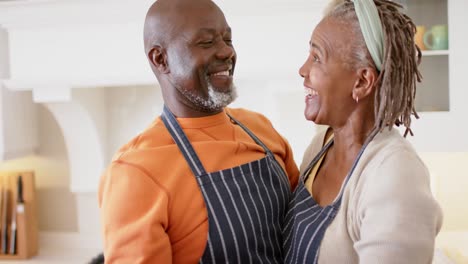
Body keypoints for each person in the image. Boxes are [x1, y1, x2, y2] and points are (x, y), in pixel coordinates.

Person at [98, 0, 299, 263]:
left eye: (228, 39)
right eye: (206, 42)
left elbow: (305, 226)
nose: (226, 51)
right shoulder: (135, 171)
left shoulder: (260, 129)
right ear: (160, 59)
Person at [283, 0, 443, 263]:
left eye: (316, 58)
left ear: (361, 82)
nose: (303, 70)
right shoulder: (320, 147)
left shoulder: (396, 174)